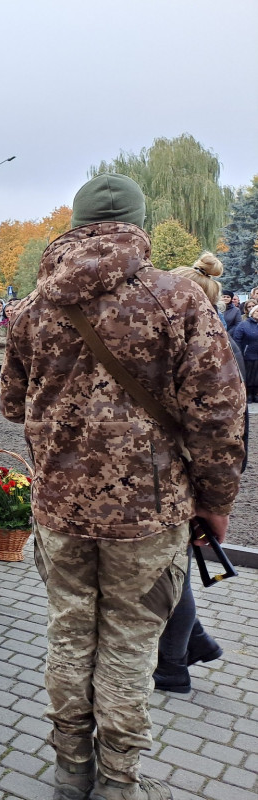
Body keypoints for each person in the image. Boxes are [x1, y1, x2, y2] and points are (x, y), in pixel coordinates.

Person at [0, 173, 246, 800]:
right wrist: (216, 503)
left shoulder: (32, 310)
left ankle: (70, 770)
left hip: (58, 510)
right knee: (129, 648)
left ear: (75, 226)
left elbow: (9, 402)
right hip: (149, 516)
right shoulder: (180, 300)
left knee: (69, 635)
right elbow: (218, 413)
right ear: (138, 222)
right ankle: (117, 782)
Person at [154, 254, 236, 693]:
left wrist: (213, 498)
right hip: (189, 468)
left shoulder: (212, 344)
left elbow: (221, 426)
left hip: (190, 471)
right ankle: (196, 642)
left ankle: (172, 666)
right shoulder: (204, 338)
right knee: (175, 570)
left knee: (175, 574)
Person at [231, 303, 258, 403]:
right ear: (252, 313)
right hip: (247, 355)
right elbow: (237, 339)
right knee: (249, 375)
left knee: (256, 376)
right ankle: (249, 394)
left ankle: (255, 393)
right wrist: (239, 353)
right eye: (257, 311)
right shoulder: (244, 324)